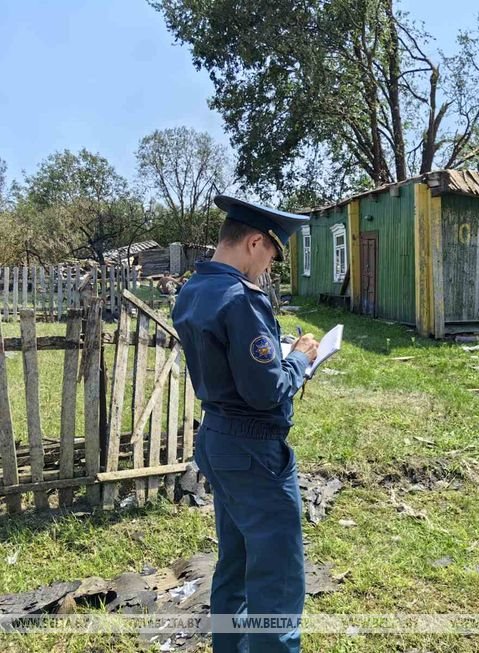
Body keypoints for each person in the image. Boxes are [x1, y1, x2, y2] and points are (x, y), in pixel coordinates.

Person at [171, 195, 319, 653]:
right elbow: (265, 391)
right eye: (271, 257)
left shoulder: (195, 289)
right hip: (255, 450)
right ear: (255, 242)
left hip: (217, 439)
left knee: (235, 564)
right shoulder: (241, 298)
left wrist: (277, 355)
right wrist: (298, 360)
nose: (267, 270)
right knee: (276, 576)